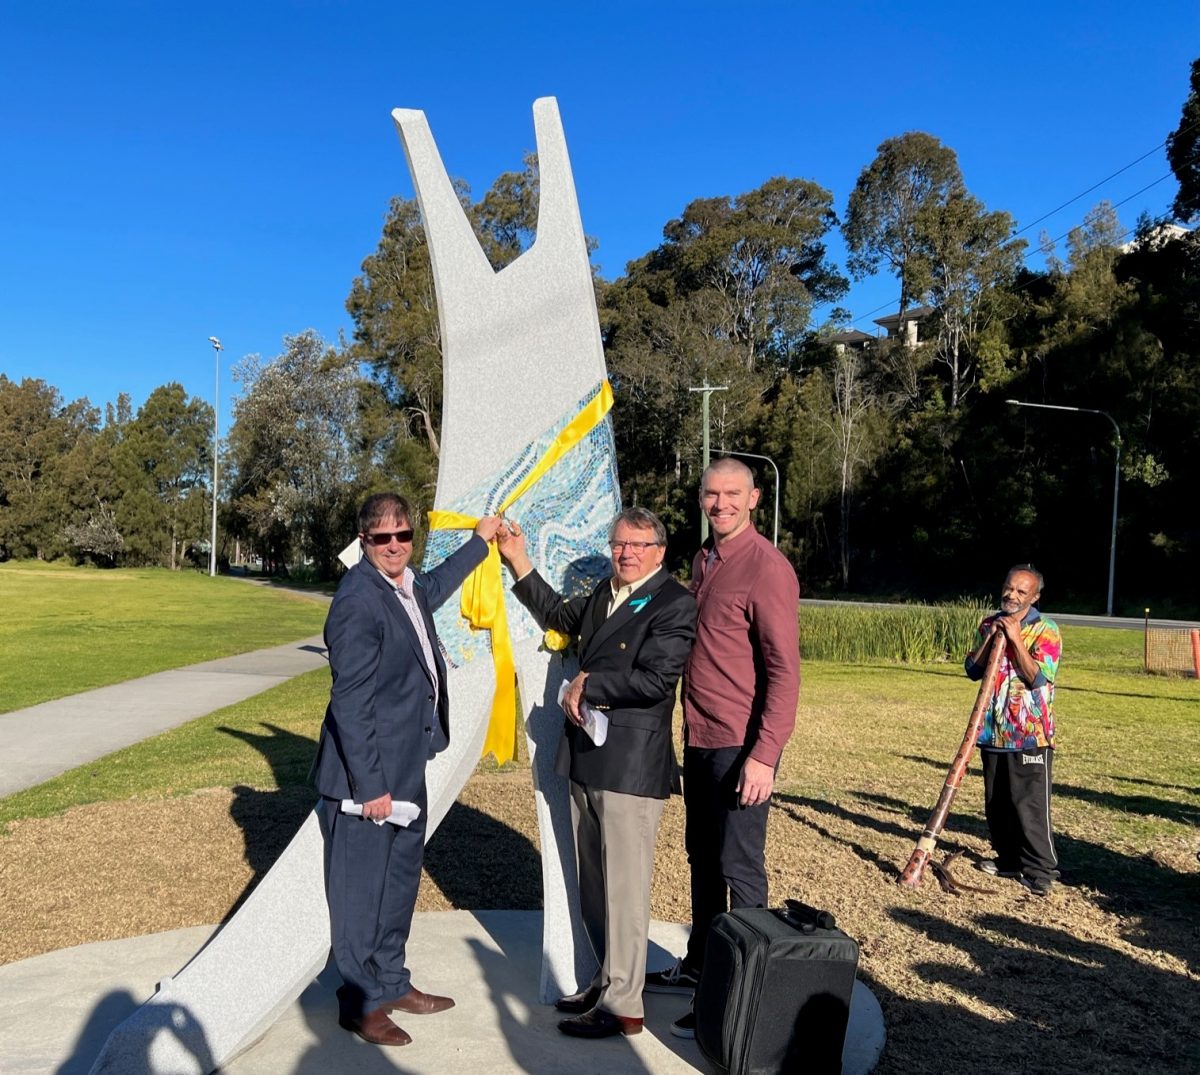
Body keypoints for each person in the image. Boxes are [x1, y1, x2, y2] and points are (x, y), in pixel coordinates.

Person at [311, 492, 503, 1045]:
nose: (395, 546)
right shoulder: (357, 601)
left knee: (397, 885)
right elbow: (349, 703)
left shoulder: (406, 583)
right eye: (382, 538)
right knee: (360, 896)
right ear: (364, 542)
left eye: (402, 535)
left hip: (407, 764)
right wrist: (370, 786)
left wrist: (479, 543)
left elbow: (436, 586)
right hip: (364, 780)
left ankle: (392, 980)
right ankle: (362, 1003)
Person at [497, 508, 697, 1039]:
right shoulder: (606, 595)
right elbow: (560, 618)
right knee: (596, 889)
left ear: (659, 550)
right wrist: (519, 561)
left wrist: (591, 684)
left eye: (637, 545)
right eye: (617, 544)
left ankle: (625, 1005)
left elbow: (657, 680)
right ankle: (607, 981)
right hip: (588, 755)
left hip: (630, 765)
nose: (625, 553)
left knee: (625, 892)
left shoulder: (675, 602)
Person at [645, 457, 800, 1040]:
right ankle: (702, 966)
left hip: (741, 745)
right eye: (712, 494)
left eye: (732, 494)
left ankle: (742, 989)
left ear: (754, 498)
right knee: (702, 859)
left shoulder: (767, 569)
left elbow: (785, 673)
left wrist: (765, 755)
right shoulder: (705, 559)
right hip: (701, 735)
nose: (721, 504)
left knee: (740, 867)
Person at [965, 564, 1061, 897]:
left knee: (1028, 804)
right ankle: (1007, 859)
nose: (1012, 595)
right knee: (997, 802)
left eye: (1021, 591)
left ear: (1034, 597)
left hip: (1029, 734)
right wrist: (992, 638)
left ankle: (1040, 870)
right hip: (992, 730)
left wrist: (1016, 640)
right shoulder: (990, 624)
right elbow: (972, 670)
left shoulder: (1046, 630)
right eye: (1009, 588)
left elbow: (1036, 678)